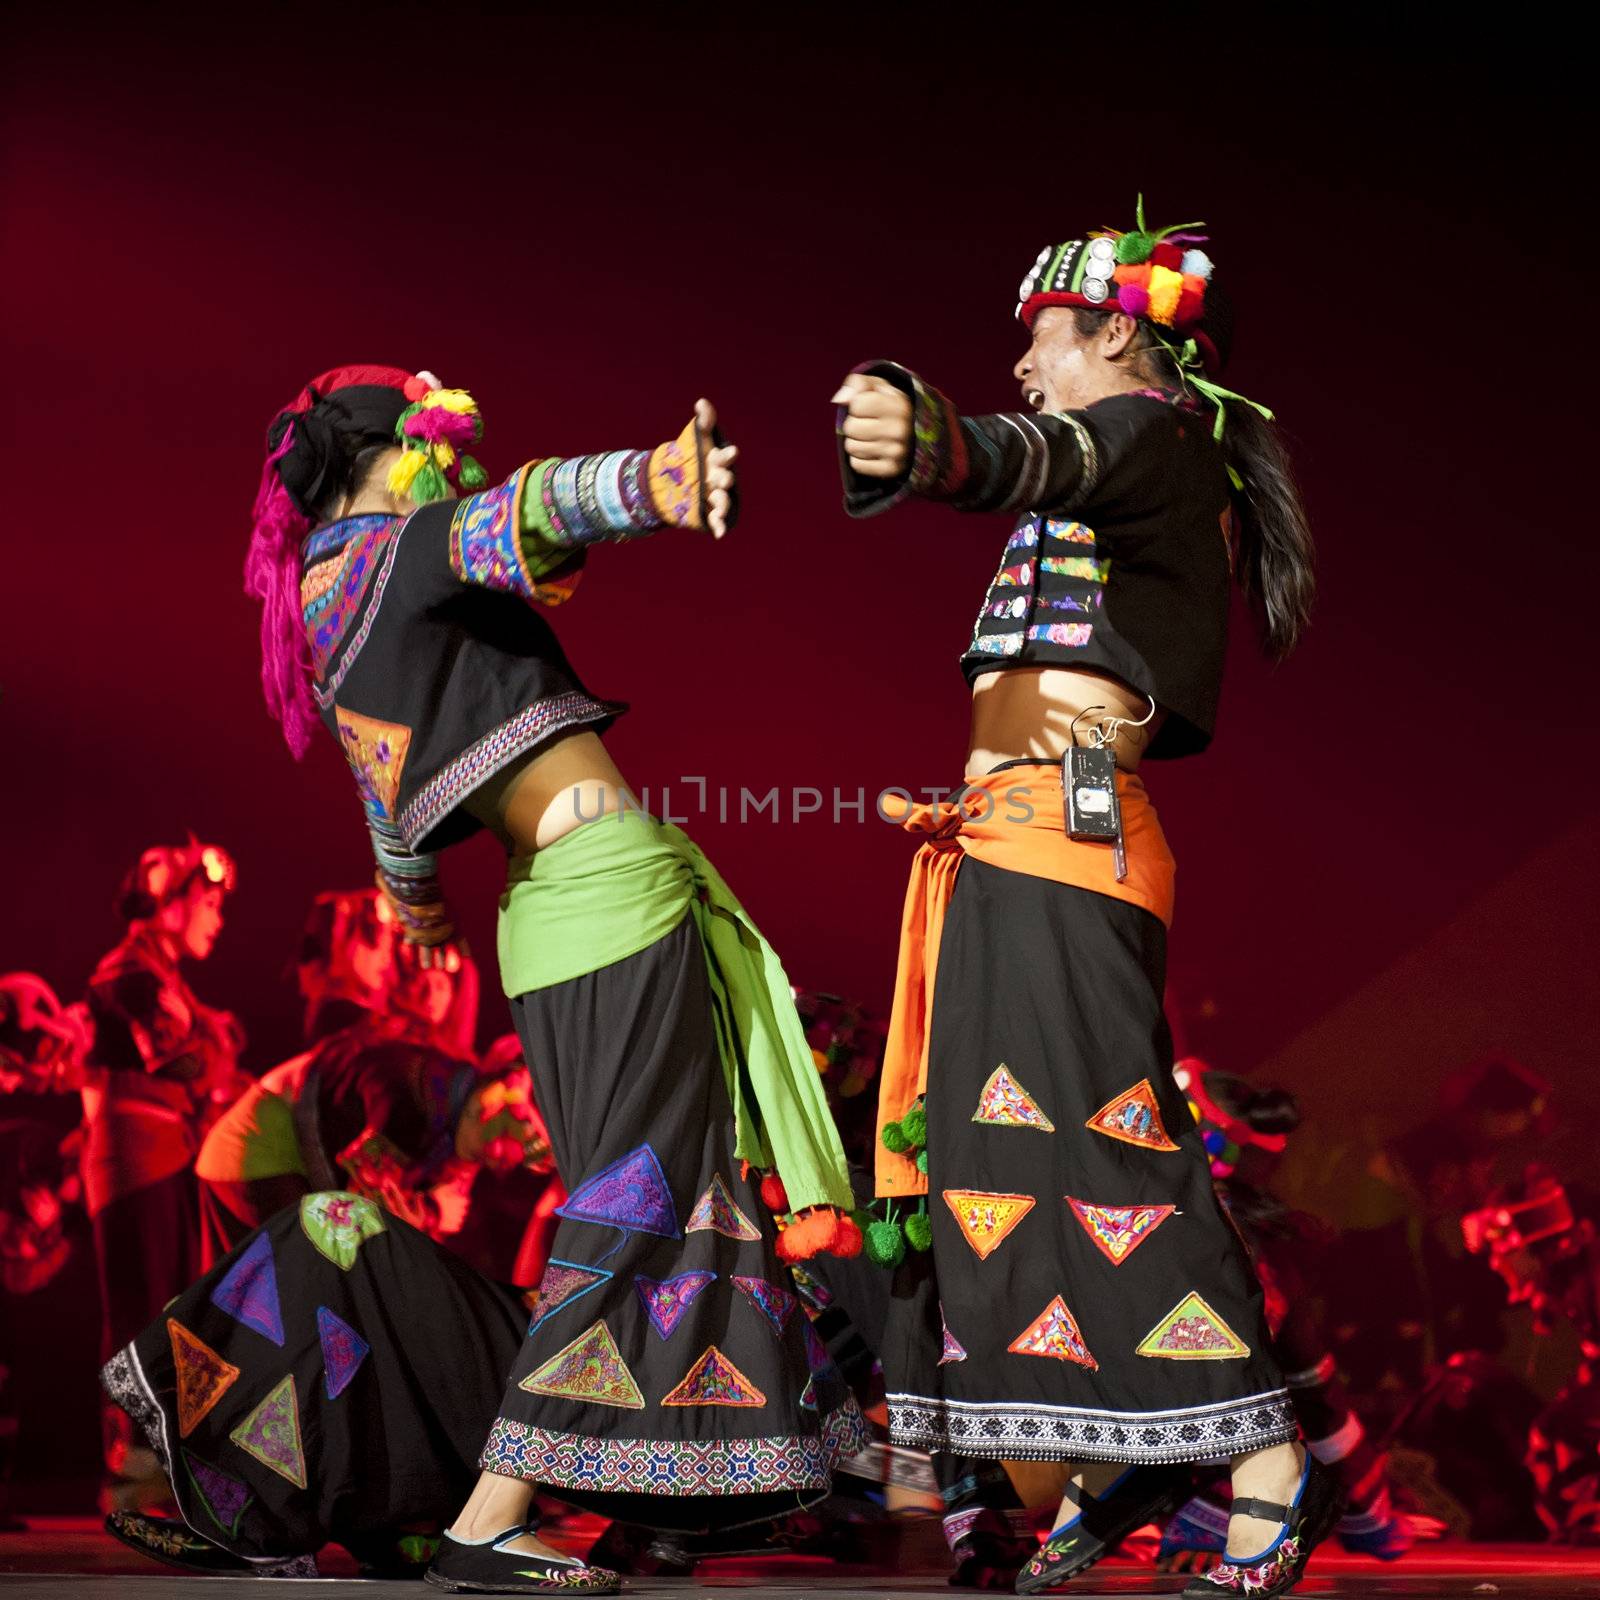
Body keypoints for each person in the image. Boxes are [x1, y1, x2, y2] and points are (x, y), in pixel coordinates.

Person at [242, 365, 865, 1593]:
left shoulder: (328, 603)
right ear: (407, 449)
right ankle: (494, 1510)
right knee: (642, 1203)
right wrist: (661, 482)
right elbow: (532, 507)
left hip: (545, 915)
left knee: (675, 1195)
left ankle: (661, 1501)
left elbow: (394, 820)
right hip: (605, 889)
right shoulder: (408, 541)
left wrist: (415, 911)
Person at [832, 199, 1336, 1598]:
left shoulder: (1151, 437)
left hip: (1066, 842)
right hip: (1003, 845)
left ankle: (1263, 1464)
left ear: (1117, 331)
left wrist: (933, 443)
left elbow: (1026, 448)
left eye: (1042, 334)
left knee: (1112, 1153)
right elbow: (1037, 453)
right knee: (993, 1171)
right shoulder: (1116, 468)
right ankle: (1082, 1471)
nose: (1025, 360)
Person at [80, 839, 243, 1494]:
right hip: (134, 1155)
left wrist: (212, 1043)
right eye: (206, 902)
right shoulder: (127, 971)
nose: (217, 918)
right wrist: (214, 1041)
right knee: (139, 1307)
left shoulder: (164, 978)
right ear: (168, 902)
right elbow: (185, 1060)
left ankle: (160, 1452)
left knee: (169, 1304)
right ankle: (131, 1456)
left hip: (167, 1152)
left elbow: (209, 1054)